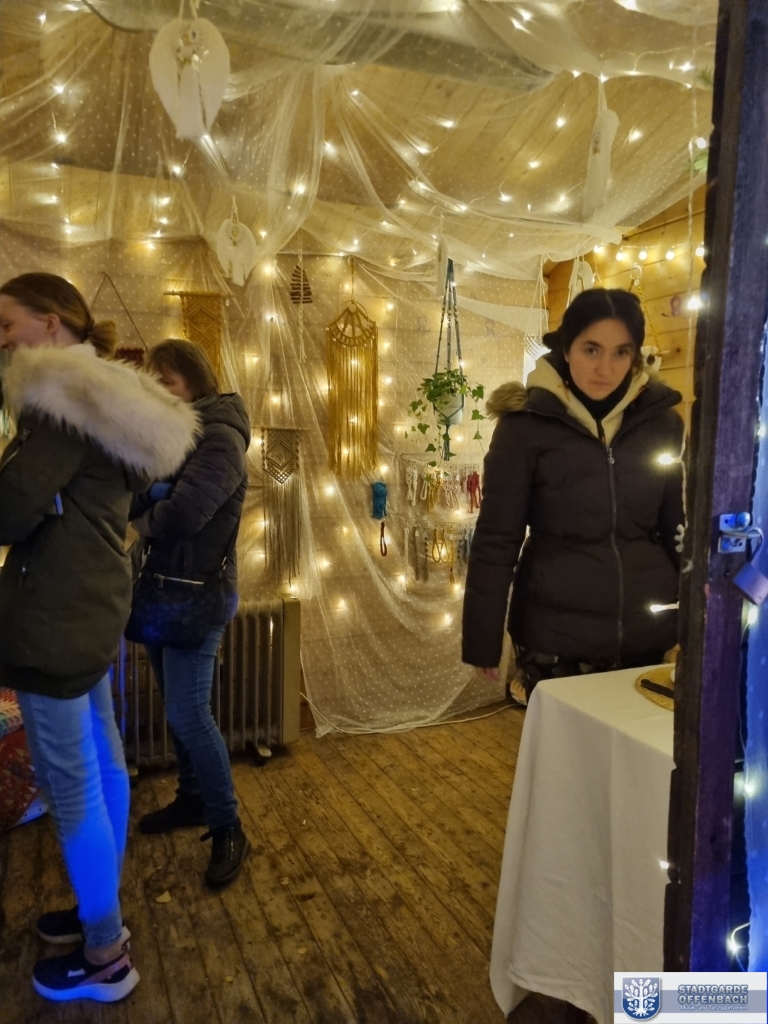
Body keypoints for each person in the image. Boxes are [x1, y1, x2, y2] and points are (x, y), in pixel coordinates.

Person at [0, 273, 198, 1002]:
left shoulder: (58, 399)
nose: (3, 340)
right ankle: (99, 909)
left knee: (70, 783)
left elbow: (9, 511)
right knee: (104, 760)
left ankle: (105, 953)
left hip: (54, 610)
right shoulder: (110, 398)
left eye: (8, 325)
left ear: (52, 325)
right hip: (90, 603)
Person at [462, 287, 684, 699]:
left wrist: (698, 616)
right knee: (566, 742)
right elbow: (496, 538)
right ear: (566, 348)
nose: (605, 368)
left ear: (636, 356)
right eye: (591, 349)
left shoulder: (663, 424)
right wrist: (482, 639)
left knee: (638, 741)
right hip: (555, 638)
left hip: (647, 633)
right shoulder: (524, 427)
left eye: (621, 352)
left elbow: (677, 527)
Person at [130, 339, 251, 888]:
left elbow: (181, 516)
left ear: (196, 382)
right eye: (152, 380)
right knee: (177, 708)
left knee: (189, 714)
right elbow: (134, 493)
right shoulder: (174, 434)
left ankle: (228, 827)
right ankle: (193, 799)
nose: (158, 390)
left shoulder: (219, 437)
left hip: (198, 594)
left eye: (168, 381)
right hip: (162, 589)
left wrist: (148, 511)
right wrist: (154, 495)